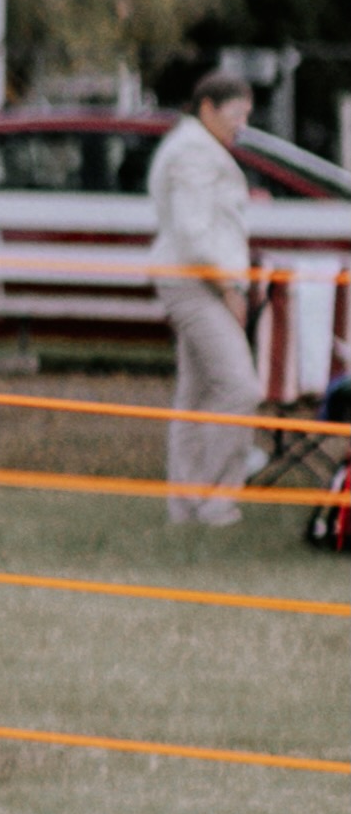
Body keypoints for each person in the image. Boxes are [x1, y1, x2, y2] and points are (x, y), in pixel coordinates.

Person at [150, 71, 262, 526]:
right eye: (236, 114)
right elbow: (195, 238)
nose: (241, 125)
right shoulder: (193, 153)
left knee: (194, 397)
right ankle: (214, 497)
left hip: (194, 279)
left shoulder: (197, 148)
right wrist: (229, 289)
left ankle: (185, 504)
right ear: (208, 108)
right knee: (240, 388)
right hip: (196, 282)